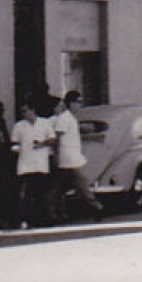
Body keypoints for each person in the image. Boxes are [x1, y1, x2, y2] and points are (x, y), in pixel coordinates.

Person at [51, 91, 103, 222]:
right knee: (81, 183)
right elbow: (57, 138)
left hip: (69, 158)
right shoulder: (64, 118)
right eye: (78, 102)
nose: (80, 105)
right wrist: (57, 156)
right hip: (67, 159)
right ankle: (96, 207)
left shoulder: (70, 118)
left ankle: (57, 213)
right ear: (71, 103)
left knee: (59, 189)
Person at [11, 99, 55, 229]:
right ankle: (25, 220)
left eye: (25, 111)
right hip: (25, 164)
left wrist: (42, 144)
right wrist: (16, 149)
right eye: (22, 111)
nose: (23, 113)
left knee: (42, 193)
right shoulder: (19, 126)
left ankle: (42, 219)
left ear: (33, 110)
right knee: (25, 194)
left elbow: (52, 139)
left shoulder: (45, 123)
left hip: (41, 163)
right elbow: (15, 143)